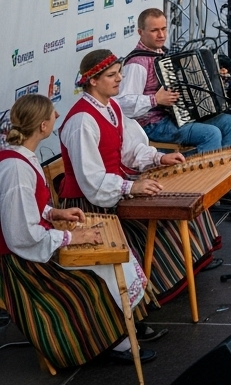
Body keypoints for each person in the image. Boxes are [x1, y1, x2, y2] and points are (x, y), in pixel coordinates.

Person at [0, 94, 156, 368]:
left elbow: (23, 209)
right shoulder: (15, 167)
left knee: (115, 258)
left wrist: (53, 212)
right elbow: (21, 235)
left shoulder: (21, 156)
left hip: (30, 245)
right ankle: (110, 342)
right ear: (42, 126)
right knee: (93, 277)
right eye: (52, 114)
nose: (57, 117)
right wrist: (73, 237)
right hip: (21, 263)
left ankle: (122, 327)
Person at [58, 49, 221, 303]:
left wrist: (158, 158)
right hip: (89, 204)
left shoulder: (110, 107)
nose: (119, 79)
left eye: (119, 73)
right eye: (112, 75)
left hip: (114, 190)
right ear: (92, 80)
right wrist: (131, 188)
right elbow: (91, 180)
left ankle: (188, 265)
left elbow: (130, 148)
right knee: (159, 224)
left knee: (182, 205)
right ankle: (146, 300)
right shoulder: (82, 121)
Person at [119, 8, 231, 155]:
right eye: (154, 30)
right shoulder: (136, 64)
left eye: (164, 29)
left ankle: (227, 174)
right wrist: (155, 99)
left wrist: (216, 78)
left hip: (177, 118)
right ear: (140, 32)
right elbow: (123, 104)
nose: (161, 35)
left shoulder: (162, 53)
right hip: (153, 124)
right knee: (211, 134)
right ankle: (207, 177)